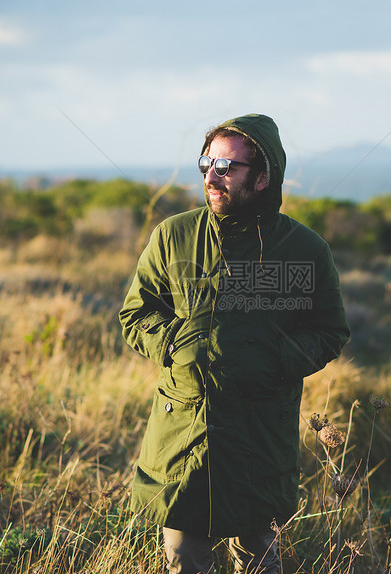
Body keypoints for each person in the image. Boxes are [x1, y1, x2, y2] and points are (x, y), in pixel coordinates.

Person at [119, 114, 350, 573]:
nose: (211, 175)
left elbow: (329, 330)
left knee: (260, 558)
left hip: (260, 433)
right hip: (185, 429)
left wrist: (276, 359)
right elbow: (136, 313)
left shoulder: (305, 249)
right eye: (207, 162)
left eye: (227, 166)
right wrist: (176, 344)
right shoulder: (174, 235)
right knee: (184, 559)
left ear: (263, 177)